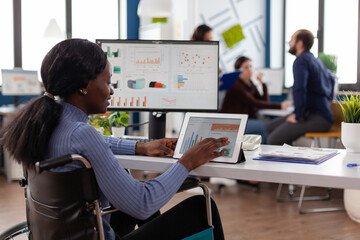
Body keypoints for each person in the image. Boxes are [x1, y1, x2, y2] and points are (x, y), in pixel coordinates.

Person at [0, 39, 229, 240]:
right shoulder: (81, 134)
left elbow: (99, 143)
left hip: (62, 234)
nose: (111, 91)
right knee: (201, 205)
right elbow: (142, 203)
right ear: (83, 86)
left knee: (129, 195)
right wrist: (187, 162)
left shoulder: (45, 125)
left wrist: (141, 147)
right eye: (108, 82)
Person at [267, 29, 335, 145]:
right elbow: (332, 79)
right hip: (318, 115)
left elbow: (300, 89)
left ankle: (288, 159)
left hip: (317, 118)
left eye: (292, 39)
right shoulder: (315, 60)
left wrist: (298, 116)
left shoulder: (301, 60)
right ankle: (289, 155)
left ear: (300, 44)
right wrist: (329, 98)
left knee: (273, 140)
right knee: (270, 127)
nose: (289, 43)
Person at [220, 56, 290, 143]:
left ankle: (262, 153)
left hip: (245, 120)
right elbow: (254, 102)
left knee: (267, 128)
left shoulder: (250, 83)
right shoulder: (235, 85)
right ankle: (263, 154)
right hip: (234, 122)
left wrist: (263, 83)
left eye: (251, 66)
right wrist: (280, 106)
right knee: (266, 128)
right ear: (238, 71)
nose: (250, 69)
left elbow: (264, 101)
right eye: (246, 67)